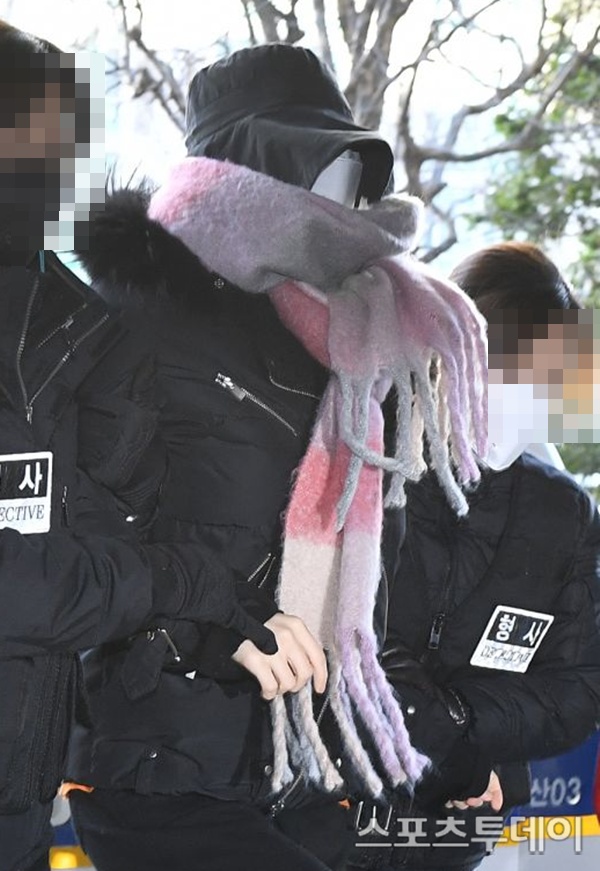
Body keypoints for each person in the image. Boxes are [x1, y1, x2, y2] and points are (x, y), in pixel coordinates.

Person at [67, 44, 487, 871]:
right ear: (250, 164)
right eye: (319, 162)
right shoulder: (140, 313)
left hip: (306, 768)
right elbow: (80, 533)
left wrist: (458, 744)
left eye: (352, 172)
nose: (343, 195)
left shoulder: (355, 342)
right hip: (163, 764)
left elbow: (384, 588)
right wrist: (211, 629)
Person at [0, 22, 278, 871]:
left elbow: (100, 522)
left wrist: (216, 620)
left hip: (20, 800)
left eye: (70, 138)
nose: (60, 164)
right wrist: (187, 583)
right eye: (37, 135)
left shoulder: (70, 327)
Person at [347, 242, 600, 871]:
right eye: (518, 368)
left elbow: (576, 689)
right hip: (336, 813)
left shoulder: (563, 513)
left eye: (553, 378)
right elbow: (359, 647)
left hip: (455, 831)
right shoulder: (369, 456)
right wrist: (467, 757)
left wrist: (478, 743)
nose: (538, 396)